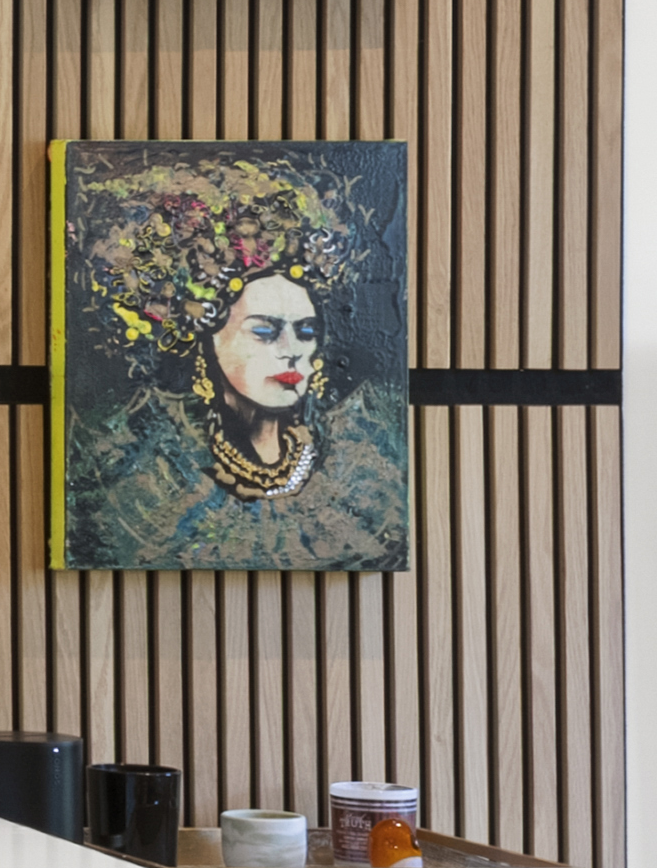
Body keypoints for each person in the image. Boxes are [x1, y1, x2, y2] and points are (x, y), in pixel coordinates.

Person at [57, 149, 414, 571]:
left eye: (306, 331)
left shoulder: (366, 464)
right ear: (205, 342)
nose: (291, 349)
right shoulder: (145, 475)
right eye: (264, 331)